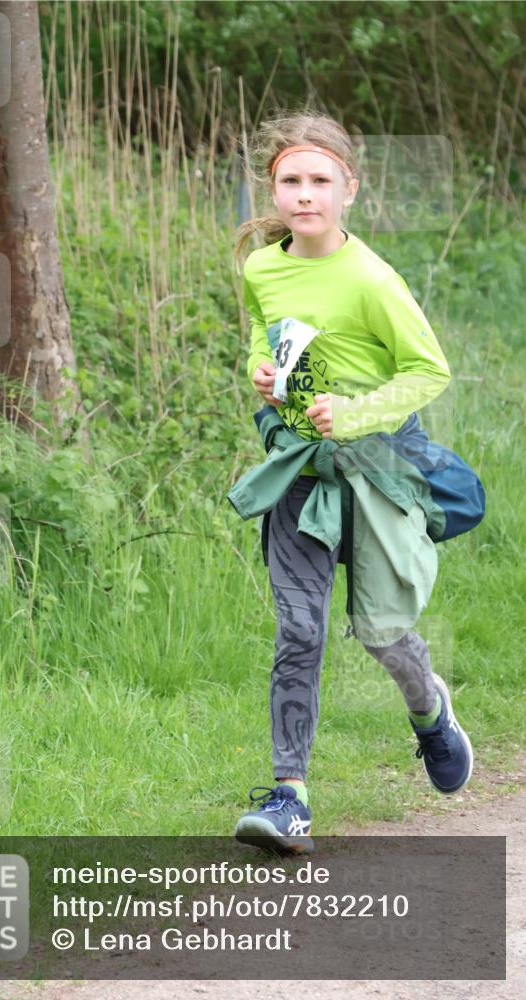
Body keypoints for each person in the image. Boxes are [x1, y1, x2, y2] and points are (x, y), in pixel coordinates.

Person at [232, 109, 473, 855]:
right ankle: (288, 797)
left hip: (375, 472)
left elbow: (428, 369)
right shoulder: (261, 268)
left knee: (380, 631)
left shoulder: (371, 278)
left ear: (349, 190)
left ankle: (429, 708)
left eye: (319, 181)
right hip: (301, 470)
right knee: (298, 628)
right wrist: (262, 376)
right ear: (271, 192)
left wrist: (358, 412)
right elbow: (260, 342)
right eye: (289, 181)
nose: (304, 195)